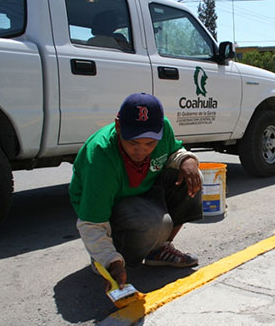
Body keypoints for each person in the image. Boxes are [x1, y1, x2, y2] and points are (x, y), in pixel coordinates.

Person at [69, 92, 203, 291]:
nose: (141, 150)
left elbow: (174, 152)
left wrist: (187, 159)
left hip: (141, 194)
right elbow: (91, 223)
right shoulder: (100, 157)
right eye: (133, 143)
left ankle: (158, 250)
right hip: (107, 208)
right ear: (118, 126)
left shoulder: (163, 128)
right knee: (153, 224)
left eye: (150, 144)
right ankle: (108, 255)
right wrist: (109, 261)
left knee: (191, 176)